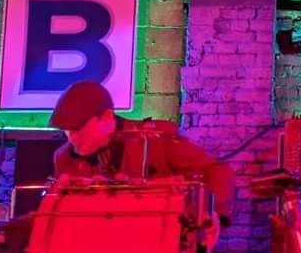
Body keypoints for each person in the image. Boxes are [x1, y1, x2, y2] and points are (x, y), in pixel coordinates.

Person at [49, 79, 234, 228]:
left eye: (78, 130)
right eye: (67, 132)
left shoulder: (156, 138)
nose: (72, 139)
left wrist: (214, 215)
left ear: (106, 117)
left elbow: (217, 170)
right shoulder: (63, 157)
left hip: (157, 240)